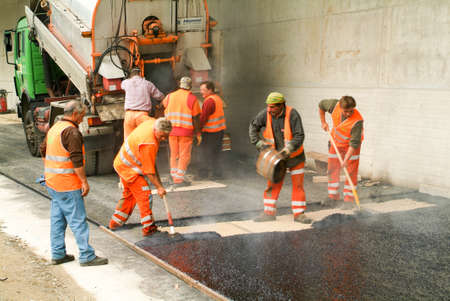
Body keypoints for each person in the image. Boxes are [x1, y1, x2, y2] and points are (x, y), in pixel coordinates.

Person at [41, 100, 108, 266]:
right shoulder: (72, 132)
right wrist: (84, 182)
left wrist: (52, 170)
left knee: (58, 220)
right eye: (82, 116)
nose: (82, 119)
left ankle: (58, 254)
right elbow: (76, 160)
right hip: (67, 184)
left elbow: (43, 150)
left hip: (53, 182)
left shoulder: (55, 128)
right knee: (78, 220)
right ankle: (86, 255)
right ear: (75, 114)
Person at [249, 92, 312, 224]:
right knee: (272, 184)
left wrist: (288, 149)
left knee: (298, 186)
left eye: (272, 107)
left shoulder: (293, 114)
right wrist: (258, 143)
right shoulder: (265, 114)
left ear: (281, 105)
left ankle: (299, 214)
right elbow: (253, 127)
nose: (269, 109)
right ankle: (269, 213)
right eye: (268, 106)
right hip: (276, 160)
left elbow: (299, 135)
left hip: (295, 157)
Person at [109, 117, 172, 236]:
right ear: (156, 130)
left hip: (122, 164)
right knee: (145, 195)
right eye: (162, 136)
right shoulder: (149, 143)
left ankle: (115, 223)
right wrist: (159, 187)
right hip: (129, 169)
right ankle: (149, 229)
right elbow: (149, 171)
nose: (163, 139)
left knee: (129, 196)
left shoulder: (152, 123)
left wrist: (159, 184)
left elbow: (151, 165)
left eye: (166, 136)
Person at [318, 96, 364, 210]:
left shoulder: (357, 121)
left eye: (351, 111)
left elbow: (354, 144)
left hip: (351, 147)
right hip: (336, 143)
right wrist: (323, 122)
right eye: (346, 111)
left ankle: (349, 200)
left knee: (351, 172)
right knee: (332, 169)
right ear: (340, 107)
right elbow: (321, 105)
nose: (348, 113)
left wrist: (346, 159)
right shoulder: (334, 105)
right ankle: (333, 197)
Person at [162, 76, 202, 187]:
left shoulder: (169, 96)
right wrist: (198, 134)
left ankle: (174, 176)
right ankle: (178, 180)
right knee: (184, 156)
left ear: (180, 84)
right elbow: (196, 118)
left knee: (174, 154)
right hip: (185, 132)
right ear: (190, 86)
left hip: (171, 131)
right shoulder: (192, 99)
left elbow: (163, 105)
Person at [122, 67, 165, 139]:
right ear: (140, 74)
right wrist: (164, 98)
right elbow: (159, 96)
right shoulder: (148, 84)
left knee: (128, 140)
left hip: (129, 116)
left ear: (130, 75)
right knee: (144, 138)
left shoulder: (125, 83)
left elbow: (122, 85)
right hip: (142, 115)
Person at [198, 81, 226, 180]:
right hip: (219, 131)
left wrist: (198, 130)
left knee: (205, 153)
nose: (201, 92)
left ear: (210, 90)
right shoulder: (217, 98)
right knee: (216, 153)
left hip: (210, 132)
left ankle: (203, 174)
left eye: (203, 90)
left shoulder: (209, 101)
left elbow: (203, 118)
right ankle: (217, 174)